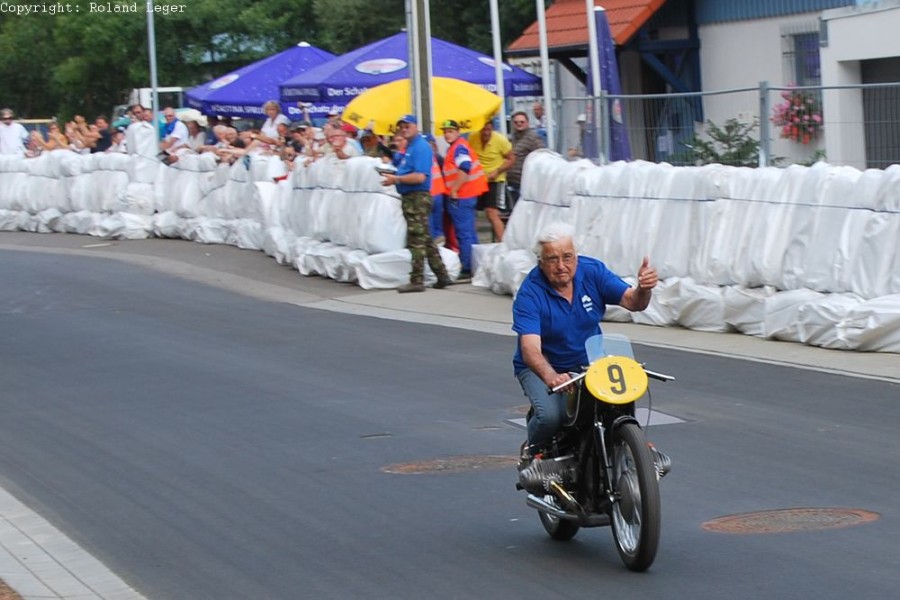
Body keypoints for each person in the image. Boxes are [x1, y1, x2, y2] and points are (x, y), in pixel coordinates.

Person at [512, 221, 659, 464]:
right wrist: (552, 378)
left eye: (567, 257)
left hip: (589, 362)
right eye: (552, 259)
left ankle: (634, 454)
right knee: (551, 416)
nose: (561, 266)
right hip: (544, 366)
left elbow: (633, 302)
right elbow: (530, 350)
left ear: (576, 256)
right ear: (540, 262)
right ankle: (533, 451)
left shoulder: (592, 271)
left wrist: (644, 288)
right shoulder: (530, 293)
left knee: (616, 405)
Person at [380, 114, 452, 293]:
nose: (404, 130)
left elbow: (419, 176)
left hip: (417, 197)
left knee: (416, 240)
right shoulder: (411, 147)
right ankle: (442, 274)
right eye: (402, 127)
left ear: (415, 127)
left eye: (407, 126)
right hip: (412, 197)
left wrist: (396, 179)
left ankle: (417, 279)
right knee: (425, 238)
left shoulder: (420, 147)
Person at [440, 119, 487, 278]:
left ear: (458, 132)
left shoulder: (459, 147)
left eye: (450, 131)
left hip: (462, 195)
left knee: (464, 233)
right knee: (469, 233)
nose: (447, 134)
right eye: (445, 132)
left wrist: (454, 189)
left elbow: (465, 167)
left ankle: (467, 267)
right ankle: (475, 265)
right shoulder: (457, 147)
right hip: (467, 194)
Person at [468, 120, 514, 242]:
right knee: (471, 210)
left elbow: (511, 159)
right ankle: (473, 242)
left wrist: (497, 171)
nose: (486, 133)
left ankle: (503, 243)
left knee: (492, 212)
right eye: (483, 130)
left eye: (489, 130)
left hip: (496, 180)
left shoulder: (500, 140)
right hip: (478, 180)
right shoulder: (472, 138)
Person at [507, 110, 544, 212]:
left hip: (526, 182)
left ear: (527, 123)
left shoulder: (533, 138)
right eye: (516, 122)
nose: (519, 124)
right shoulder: (511, 138)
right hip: (512, 181)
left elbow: (542, 156)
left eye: (522, 122)